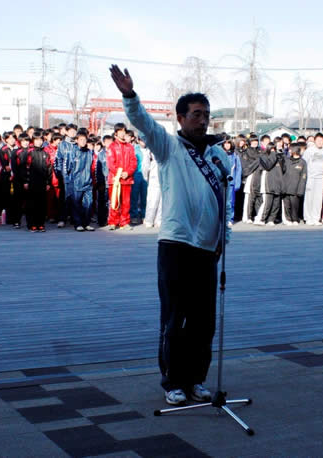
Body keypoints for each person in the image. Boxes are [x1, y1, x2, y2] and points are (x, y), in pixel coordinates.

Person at [111, 64, 232, 406]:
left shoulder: (217, 155)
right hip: (177, 245)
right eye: (196, 114)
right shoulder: (169, 147)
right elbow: (143, 123)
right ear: (180, 118)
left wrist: (224, 240)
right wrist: (130, 96)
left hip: (208, 249)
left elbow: (225, 203)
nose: (203, 121)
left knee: (203, 321)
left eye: (206, 115)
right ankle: (172, 381)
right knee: (175, 317)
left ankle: (197, 379)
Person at [106, 123, 137, 230]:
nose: (123, 133)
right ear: (116, 133)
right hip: (115, 179)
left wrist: (127, 173)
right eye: (120, 131)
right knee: (114, 201)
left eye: (124, 131)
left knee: (126, 202)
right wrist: (119, 174)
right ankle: (113, 221)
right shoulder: (112, 146)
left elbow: (134, 162)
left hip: (127, 179)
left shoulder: (130, 147)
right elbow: (111, 163)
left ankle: (124, 222)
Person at [23, 132, 52, 232]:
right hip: (31, 182)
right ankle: (32, 224)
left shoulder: (45, 153)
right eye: (36, 140)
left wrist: (48, 183)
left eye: (40, 140)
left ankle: (41, 224)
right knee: (31, 204)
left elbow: (49, 168)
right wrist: (26, 181)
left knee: (42, 204)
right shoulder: (29, 152)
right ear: (33, 141)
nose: (39, 142)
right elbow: (26, 167)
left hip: (42, 182)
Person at [67, 132, 95, 232]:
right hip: (76, 182)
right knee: (76, 204)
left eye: (84, 139)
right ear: (77, 140)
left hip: (88, 182)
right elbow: (67, 167)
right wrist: (71, 180)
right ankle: (78, 223)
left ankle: (86, 223)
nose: (83, 141)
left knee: (89, 204)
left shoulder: (89, 152)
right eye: (81, 139)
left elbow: (92, 167)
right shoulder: (72, 152)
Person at [302, 133, 323, 225]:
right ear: (315, 141)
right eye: (318, 140)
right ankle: (308, 217)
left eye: (322, 141)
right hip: (310, 177)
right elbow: (304, 162)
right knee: (309, 197)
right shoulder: (309, 151)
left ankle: (316, 217)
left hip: (319, 177)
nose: (320, 142)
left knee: (318, 198)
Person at [259, 142, 285, 226]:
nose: (274, 151)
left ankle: (271, 219)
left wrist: (281, 157)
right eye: (272, 149)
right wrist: (274, 154)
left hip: (278, 181)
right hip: (269, 182)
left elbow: (284, 168)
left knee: (276, 203)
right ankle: (263, 218)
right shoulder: (264, 157)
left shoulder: (279, 156)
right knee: (268, 202)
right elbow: (268, 165)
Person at [281, 142, 307, 225]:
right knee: (286, 205)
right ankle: (288, 219)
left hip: (296, 189)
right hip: (286, 187)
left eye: (290, 149)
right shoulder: (286, 160)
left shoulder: (302, 162)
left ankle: (295, 219)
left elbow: (303, 177)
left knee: (295, 205)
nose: (289, 151)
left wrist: (300, 190)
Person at [223, 139, 242, 226]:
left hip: (231, 182)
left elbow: (238, 170)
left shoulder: (235, 156)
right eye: (225, 144)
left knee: (231, 202)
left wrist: (237, 182)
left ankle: (230, 218)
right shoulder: (220, 154)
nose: (227, 146)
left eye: (228, 144)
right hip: (222, 182)